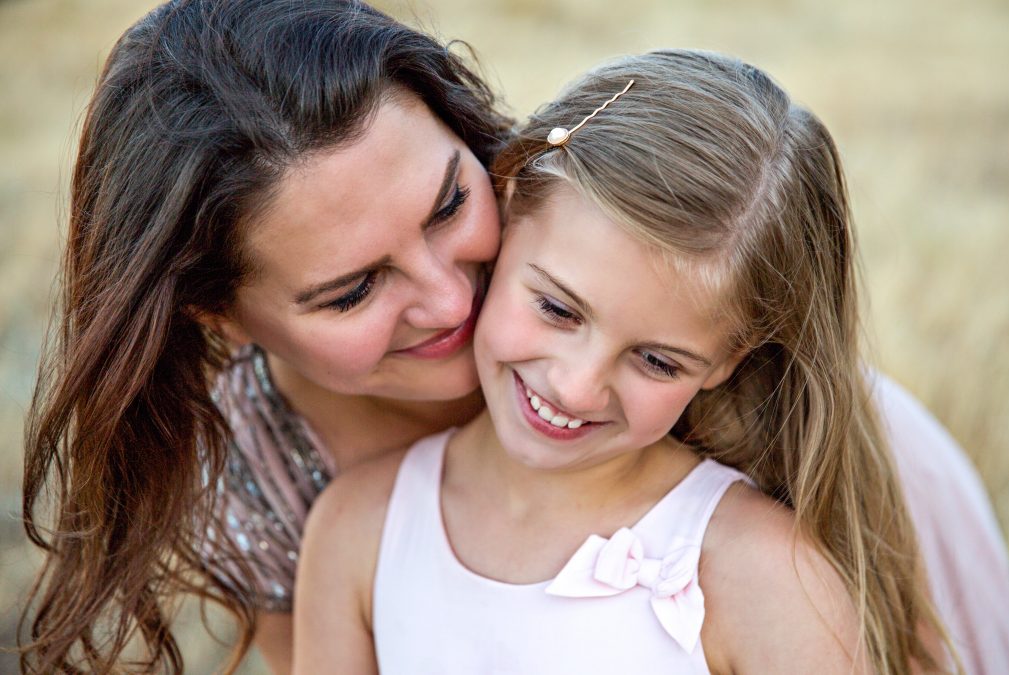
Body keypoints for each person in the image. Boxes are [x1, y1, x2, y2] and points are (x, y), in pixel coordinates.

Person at [293, 50, 958, 673]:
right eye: (558, 309)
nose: (577, 385)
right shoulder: (358, 530)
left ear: (728, 359)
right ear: (509, 202)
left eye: (656, 361)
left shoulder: (762, 571)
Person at [19, 0, 510, 672]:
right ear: (215, 312)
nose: (451, 300)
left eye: (450, 204)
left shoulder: (618, 246)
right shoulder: (253, 480)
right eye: (354, 290)